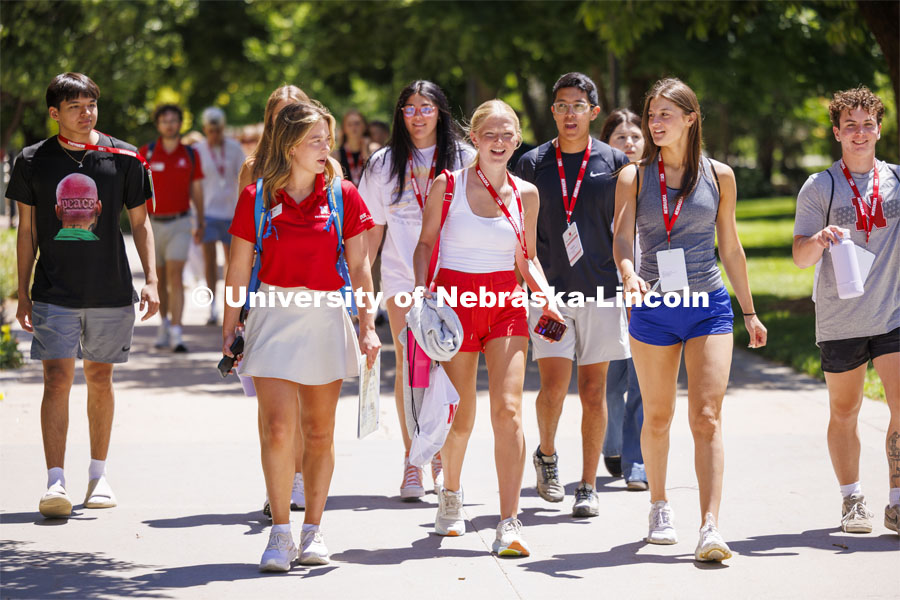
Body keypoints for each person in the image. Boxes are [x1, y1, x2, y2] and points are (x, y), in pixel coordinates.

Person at [613, 78, 767, 562]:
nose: (655, 123)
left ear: (690, 118)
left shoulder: (720, 175)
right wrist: (628, 271)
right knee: (658, 417)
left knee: (707, 416)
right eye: (651, 114)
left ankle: (710, 525)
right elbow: (620, 239)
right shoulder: (634, 177)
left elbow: (732, 246)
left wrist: (750, 311)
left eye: (664, 115)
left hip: (709, 307)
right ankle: (659, 505)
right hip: (654, 308)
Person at [223, 100, 380, 571]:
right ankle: (279, 533)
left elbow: (361, 267)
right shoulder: (256, 196)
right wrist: (230, 328)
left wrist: (368, 326)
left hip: (326, 316)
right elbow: (237, 267)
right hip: (271, 314)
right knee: (276, 428)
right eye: (316, 139)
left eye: (327, 139)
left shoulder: (344, 195)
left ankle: (313, 529)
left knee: (317, 430)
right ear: (290, 146)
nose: (325, 147)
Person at [413, 99, 562, 556]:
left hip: (505, 306)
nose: (499, 143)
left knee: (509, 411)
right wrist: (423, 294)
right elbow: (423, 245)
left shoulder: (526, 194)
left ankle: (509, 520)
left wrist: (546, 298)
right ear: (472, 139)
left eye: (507, 135)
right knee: (462, 415)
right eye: (489, 135)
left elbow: (527, 258)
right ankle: (451, 496)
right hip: (456, 306)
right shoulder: (448, 184)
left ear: (517, 140)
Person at [8, 72, 159, 518]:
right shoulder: (32, 160)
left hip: (111, 290)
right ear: (54, 114)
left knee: (100, 378)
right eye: (75, 106)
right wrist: (22, 293)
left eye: (92, 104)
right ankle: (56, 480)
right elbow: (27, 230)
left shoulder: (124, 156)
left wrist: (151, 278)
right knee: (55, 379)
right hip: (54, 291)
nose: (86, 112)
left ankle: (98, 474)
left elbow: (141, 222)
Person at [514, 73, 631, 517]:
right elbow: (520, 236)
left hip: (602, 292)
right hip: (550, 295)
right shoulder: (531, 163)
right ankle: (547, 456)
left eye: (578, 105)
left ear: (593, 112)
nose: (569, 113)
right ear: (553, 112)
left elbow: (627, 230)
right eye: (562, 105)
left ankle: (587, 484)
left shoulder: (616, 162)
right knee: (554, 386)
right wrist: (536, 289)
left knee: (595, 389)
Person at [359, 80, 473, 500]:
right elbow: (371, 232)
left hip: (458, 279)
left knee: (450, 368)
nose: (418, 115)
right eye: (409, 108)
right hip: (403, 281)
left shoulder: (466, 159)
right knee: (412, 368)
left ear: (441, 112)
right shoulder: (383, 164)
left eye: (426, 107)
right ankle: (413, 462)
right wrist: (361, 290)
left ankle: (441, 452)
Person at [792, 86, 899, 535]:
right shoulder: (820, 186)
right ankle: (852, 497)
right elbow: (799, 255)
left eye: (867, 124)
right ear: (837, 132)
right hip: (840, 319)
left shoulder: (896, 178)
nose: (860, 133)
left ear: (879, 129)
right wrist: (818, 240)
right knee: (845, 411)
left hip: (893, 313)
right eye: (850, 125)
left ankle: (896, 500)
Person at [238, 85, 345, 519]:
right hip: (267, 295)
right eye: (283, 113)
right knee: (276, 410)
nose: (291, 118)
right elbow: (245, 241)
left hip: (319, 304)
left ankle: (301, 479)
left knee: (311, 408)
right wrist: (239, 308)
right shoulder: (253, 171)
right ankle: (281, 483)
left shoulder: (330, 169)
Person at [599, 108, 648, 490]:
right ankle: (612, 446)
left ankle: (637, 462)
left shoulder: (656, 180)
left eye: (635, 136)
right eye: (621, 138)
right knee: (611, 382)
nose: (630, 143)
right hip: (603, 291)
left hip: (648, 290)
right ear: (607, 142)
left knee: (643, 379)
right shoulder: (599, 182)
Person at [140, 104, 204, 353]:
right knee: (159, 278)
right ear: (158, 124)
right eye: (164, 120)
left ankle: (177, 332)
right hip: (153, 225)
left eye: (173, 120)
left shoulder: (189, 154)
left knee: (175, 276)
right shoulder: (147, 152)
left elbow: (197, 188)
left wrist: (201, 221)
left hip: (180, 221)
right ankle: (164, 324)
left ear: (180, 123)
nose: (169, 124)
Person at [193, 107, 245, 325]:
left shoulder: (234, 148)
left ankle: (232, 306)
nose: (215, 134)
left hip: (231, 213)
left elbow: (244, 178)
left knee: (233, 263)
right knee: (209, 262)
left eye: (218, 129)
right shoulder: (197, 150)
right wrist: (197, 219)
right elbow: (194, 186)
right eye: (211, 130)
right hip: (208, 213)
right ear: (205, 129)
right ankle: (212, 307)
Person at [332, 108, 371, 186]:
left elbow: (375, 175)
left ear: (364, 126)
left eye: (357, 123)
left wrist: (365, 152)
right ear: (344, 129)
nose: (354, 128)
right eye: (349, 124)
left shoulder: (373, 149)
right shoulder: (336, 154)